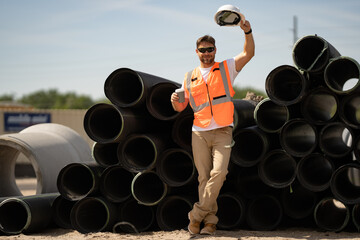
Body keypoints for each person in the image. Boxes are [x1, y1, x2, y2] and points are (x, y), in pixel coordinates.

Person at [170, 19, 255, 235]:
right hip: (199, 132)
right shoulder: (189, 77)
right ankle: (209, 223)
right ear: (196, 52)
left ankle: (195, 215)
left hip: (223, 131)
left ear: (215, 50)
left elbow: (249, 53)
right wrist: (174, 101)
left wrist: (247, 32)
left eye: (210, 50)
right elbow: (180, 106)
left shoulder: (226, 68)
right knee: (203, 178)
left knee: (219, 172)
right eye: (202, 50)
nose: (206, 53)